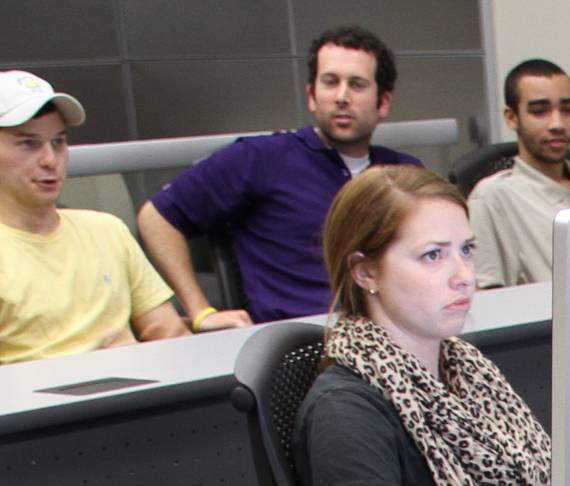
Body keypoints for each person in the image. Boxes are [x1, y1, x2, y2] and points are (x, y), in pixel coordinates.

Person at [299, 164, 549, 486]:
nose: (464, 277)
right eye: (433, 256)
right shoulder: (347, 409)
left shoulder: (471, 373)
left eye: (467, 251)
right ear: (365, 271)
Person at [135, 27, 419, 330]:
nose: (341, 97)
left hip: (399, 337)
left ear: (383, 102)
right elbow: (156, 218)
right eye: (330, 82)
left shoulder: (405, 173)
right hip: (301, 346)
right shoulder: (260, 158)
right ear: (311, 95)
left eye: (357, 85)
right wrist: (201, 312)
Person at [0, 72, 187, 375]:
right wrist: (87, 371)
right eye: (28, 144)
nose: (50, 159)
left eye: (58, 142)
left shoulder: (107, 231)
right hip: (38, 417)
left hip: (133, 407)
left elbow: (170, 334)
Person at [469, 57, 570, 289]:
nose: (558, 124)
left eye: (567, 109)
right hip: (548, 322)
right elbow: (487, 295)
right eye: (540, 111)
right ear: (512, 118)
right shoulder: (493, 197)